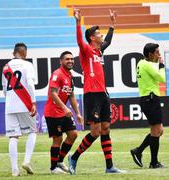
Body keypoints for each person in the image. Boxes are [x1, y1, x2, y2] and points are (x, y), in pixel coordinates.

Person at [68, 8, 125, 174]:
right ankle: (74, 157)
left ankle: (109, 167)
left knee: (105, 128)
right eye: (99, 33)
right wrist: (78, 22)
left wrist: (112, 24)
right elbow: (79, 41)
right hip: (91, 95)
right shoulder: (86, 50)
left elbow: (108, 41)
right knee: (95, 132)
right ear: (92, 38)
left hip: (103, 94)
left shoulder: (99, 51)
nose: (101, 36)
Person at [44, 51, 84, 174]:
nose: (70, 61)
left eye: (72, 59)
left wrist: (77, 113)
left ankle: (60, 160)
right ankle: (53, 168)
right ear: (61, 61)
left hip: (63, 112)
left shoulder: (70, 76)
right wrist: (65, 108)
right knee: (58, 139)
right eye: (67, 59)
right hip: (53, 112)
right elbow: (53, 93)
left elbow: (71, 95)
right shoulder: (57, 74)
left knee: (73, 134)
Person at [2, 43, 37, 176]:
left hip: (10, 104)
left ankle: (14, 169)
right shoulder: (27, 65)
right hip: (25, 102)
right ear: (25, 53)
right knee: (33, 131)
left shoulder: (6, 67)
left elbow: (4, 89)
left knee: (13, 136)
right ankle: (27, 161)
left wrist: (10, 99)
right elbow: (30, 83)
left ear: (14, 52)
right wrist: (33, 101)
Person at [130, 43, 166, 169]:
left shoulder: (141, 63)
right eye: (157, 52)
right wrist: (161, 65)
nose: (159, 55)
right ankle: (153, 162)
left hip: (148, 99)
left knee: (159, 131)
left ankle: (138, 151)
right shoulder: (147, 64)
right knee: (156, 131)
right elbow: (161, 78)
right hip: (150, 99)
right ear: (150, 54)